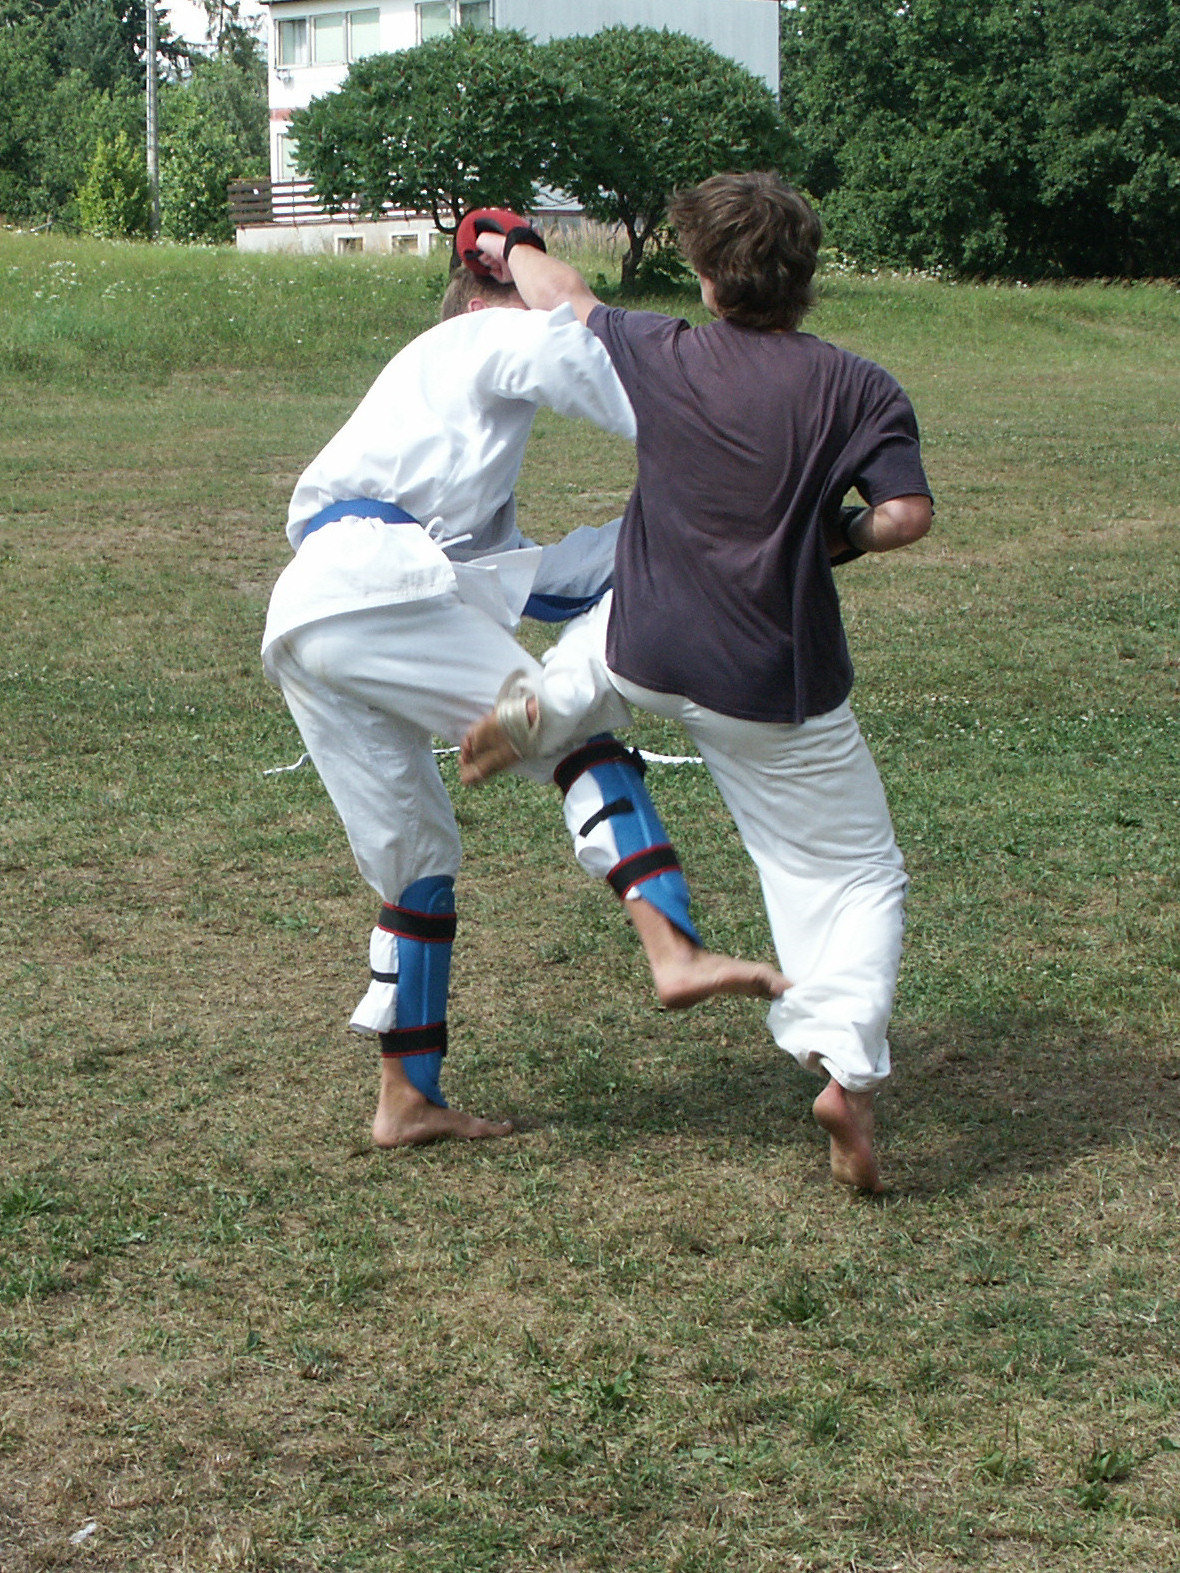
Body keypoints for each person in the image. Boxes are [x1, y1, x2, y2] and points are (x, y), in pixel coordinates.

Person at [460, 174, 934, 1191]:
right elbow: (905, 516)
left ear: (709, 277)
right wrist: (841, 539)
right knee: (851, 876)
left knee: (597, 649)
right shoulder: (859, 387)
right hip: (769, 681)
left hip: (648, 643)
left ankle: (543, 705)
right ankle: (844, 1068)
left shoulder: (663, 349)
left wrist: (507, 242)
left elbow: (566, 298)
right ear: (805, 277)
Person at [262, 254, 787, 1150]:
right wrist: (703, 424)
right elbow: (571, 357)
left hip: (310, 618)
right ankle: (674, 947)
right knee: (573, 727)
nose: (541, 308)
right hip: (376, 588)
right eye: (522, 296)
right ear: (482, 298)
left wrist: (682, 536)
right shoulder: (471, 336)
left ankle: (405, 1099)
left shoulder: (434, 439)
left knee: (416, 857)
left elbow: (544, 578)